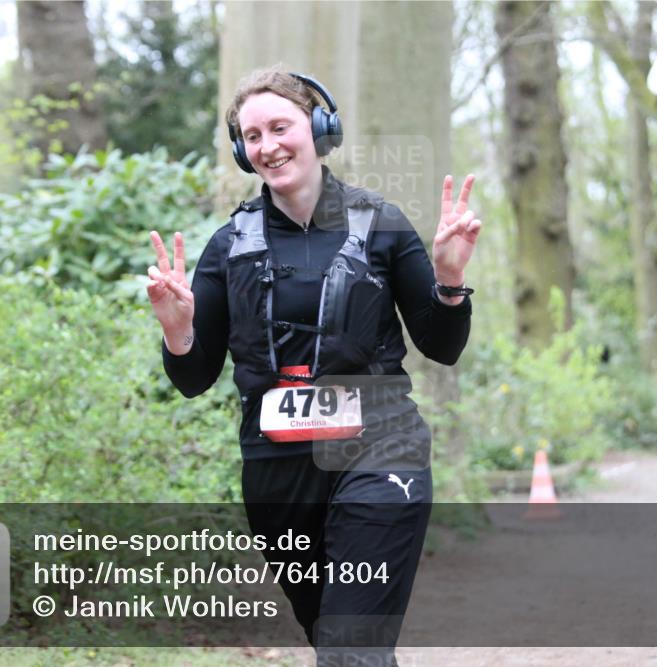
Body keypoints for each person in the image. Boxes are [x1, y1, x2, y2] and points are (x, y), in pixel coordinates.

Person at [146, 67, 481, 666]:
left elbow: (442, 345)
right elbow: (194, 378)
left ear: (319, 130)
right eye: (253, 136)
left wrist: (451, 282)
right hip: (277, 469)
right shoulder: (229, 245)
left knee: (349, 648)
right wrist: (177, 332)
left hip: (380, 451)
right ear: (242, 152)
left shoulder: (380, 223)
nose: (268, 145)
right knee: (340, 642)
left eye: (281, 126)